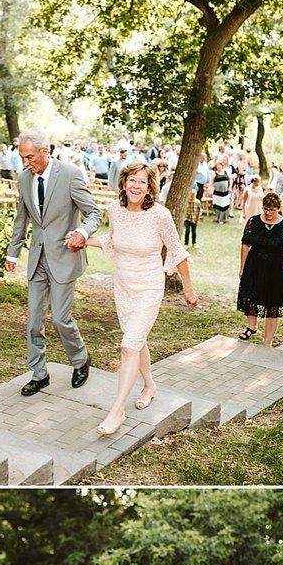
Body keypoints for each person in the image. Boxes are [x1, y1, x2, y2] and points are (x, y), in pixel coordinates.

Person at [94, 162, 199, 437]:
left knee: (128, 346)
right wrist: (84, 240)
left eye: (142, 182)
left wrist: (188, 288)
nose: (136, 186)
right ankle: (149, 385)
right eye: (131, 180)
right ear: (124, 182)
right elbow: (113, 240)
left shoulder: (160, 215)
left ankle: (117, 410)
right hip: (123, 285)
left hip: (150, 286)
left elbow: (177, 251)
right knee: (136, 340)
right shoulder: (114, 210)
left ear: (150, 186)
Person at [3, 133, 96, 398]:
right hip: (37, 259)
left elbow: (93, 213)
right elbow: (21, 218)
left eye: (29, 157)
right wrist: (13, 253)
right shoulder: (23, 178)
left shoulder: (70, 174)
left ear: (45, 151)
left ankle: (80, 360)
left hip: (65, 258)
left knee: (60, 319)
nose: (25, 163)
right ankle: (39, 374)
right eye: (22, 157)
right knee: (33, 321)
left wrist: (82, 233)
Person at [236, 192, 283, 346]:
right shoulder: (254, 221)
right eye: (265, 209)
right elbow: (245, 244)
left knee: (273, 304)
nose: (268, 213)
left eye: (272, 210)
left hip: (275, 269)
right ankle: (252, 326)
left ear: (278, 209)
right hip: (254, 265)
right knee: (250, 296)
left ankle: (268, 341)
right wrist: (242, 267)